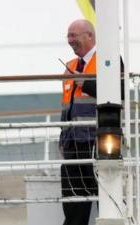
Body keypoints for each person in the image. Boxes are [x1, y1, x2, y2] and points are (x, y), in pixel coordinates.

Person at [59, 19, 98, 225]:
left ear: (89, 36)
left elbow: (118, 93)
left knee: (107, 201)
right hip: (72, 145)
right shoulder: (70, 66)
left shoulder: (107, 60)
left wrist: (84, 82)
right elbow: (66, 108)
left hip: (96, 143)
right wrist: (62, 140)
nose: (70, 40)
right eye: (68, 36)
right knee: (73, 208)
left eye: (74, 36)